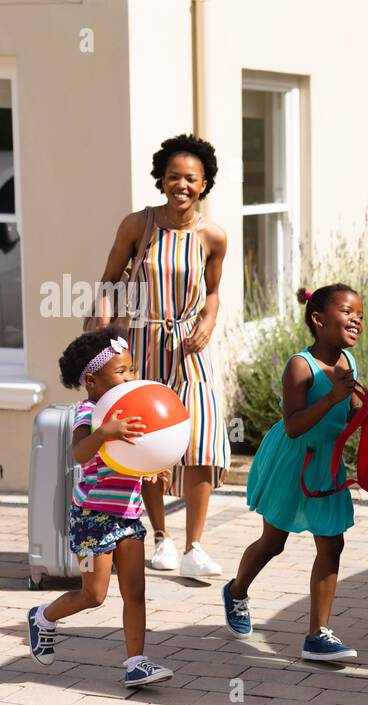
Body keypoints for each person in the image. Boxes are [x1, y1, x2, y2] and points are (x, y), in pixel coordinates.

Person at [92, 133, 230, 579]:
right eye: (174, 177)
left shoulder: (214, 236)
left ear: (204, 183)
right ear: (162, 179)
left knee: (201, 444)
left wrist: (208, 323)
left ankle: (195, 546)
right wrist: (108, 334)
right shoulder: (138, 224)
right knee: (149, 445)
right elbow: (109, 281)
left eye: (191, 178)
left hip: (191, 351)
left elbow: (212, 293)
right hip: (144, 346)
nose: (182, 185)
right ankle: (161, 538)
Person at [222, 284, 365, 663]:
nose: (356, 319)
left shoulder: (349, 364)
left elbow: (350, 413)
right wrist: (333, 397)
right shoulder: (300, 365)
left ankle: (317, 635)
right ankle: (236, 592)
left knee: (332, 543)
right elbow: (294, 425)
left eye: (361, 314)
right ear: (318, 320)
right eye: (347, 312)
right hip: (292, 460)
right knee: (273, 542)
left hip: (327, 463)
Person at [27, 330, 174, 687]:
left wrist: (154, 471)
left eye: (131, 369)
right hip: (93, 518)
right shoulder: (89, 412)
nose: (130, 377)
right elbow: (79, 453)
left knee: (135, 592)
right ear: (92, 380)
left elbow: (135, 457)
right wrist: (105, 431)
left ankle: (136, 662)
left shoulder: (133, 411)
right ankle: (43, 617)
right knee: (94, 595)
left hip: (127, 515)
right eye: (121, 371)